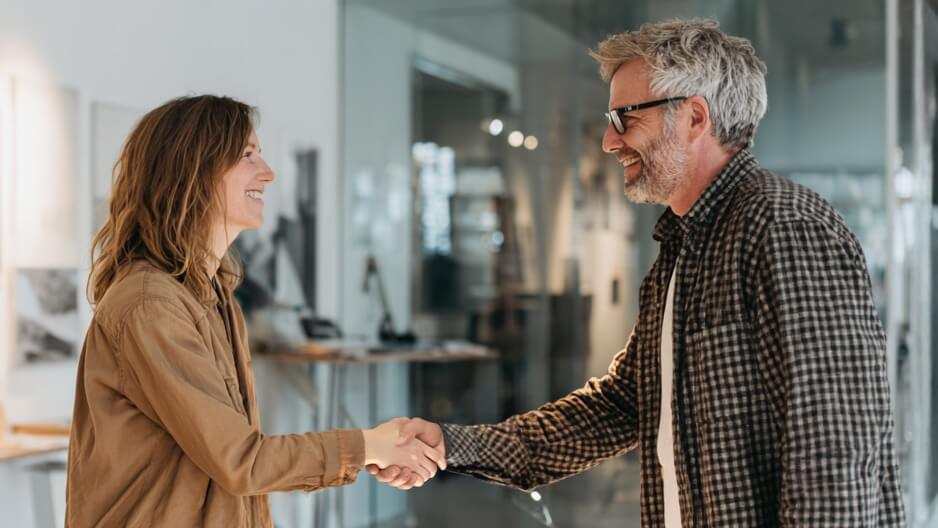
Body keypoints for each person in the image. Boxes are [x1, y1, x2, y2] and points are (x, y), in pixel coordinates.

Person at [369, 18, 906, 526]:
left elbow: (834, 446)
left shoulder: (782, 226)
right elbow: (619, 406)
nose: (610, 141)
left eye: (627, 117)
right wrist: (451, 445)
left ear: (695, 117)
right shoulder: (681, 246)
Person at [66, 95, 444, 527]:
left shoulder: (214, 296)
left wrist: (376, 447)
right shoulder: (149, 305)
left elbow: (236, 480)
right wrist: (368, 445)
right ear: (194, 168)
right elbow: (243, 461)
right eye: (247, 155)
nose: (267, 172)